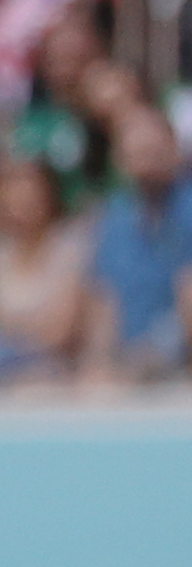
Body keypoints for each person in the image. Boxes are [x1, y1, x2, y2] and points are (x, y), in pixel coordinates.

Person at [85, 105, 192, 379]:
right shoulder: (114, 219)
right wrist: (99, 363)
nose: (145, 163)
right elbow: (104, 302)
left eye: (152, 152)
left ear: (175, 152)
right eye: (136, 153)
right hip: (129, 364)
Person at [0, 152, 94, 383]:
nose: (22, 203)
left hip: (58, 369)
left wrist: (16, 330)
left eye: (30, 195)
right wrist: (32, 325)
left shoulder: (71, 246)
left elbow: (62, 332)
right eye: (14, 195)